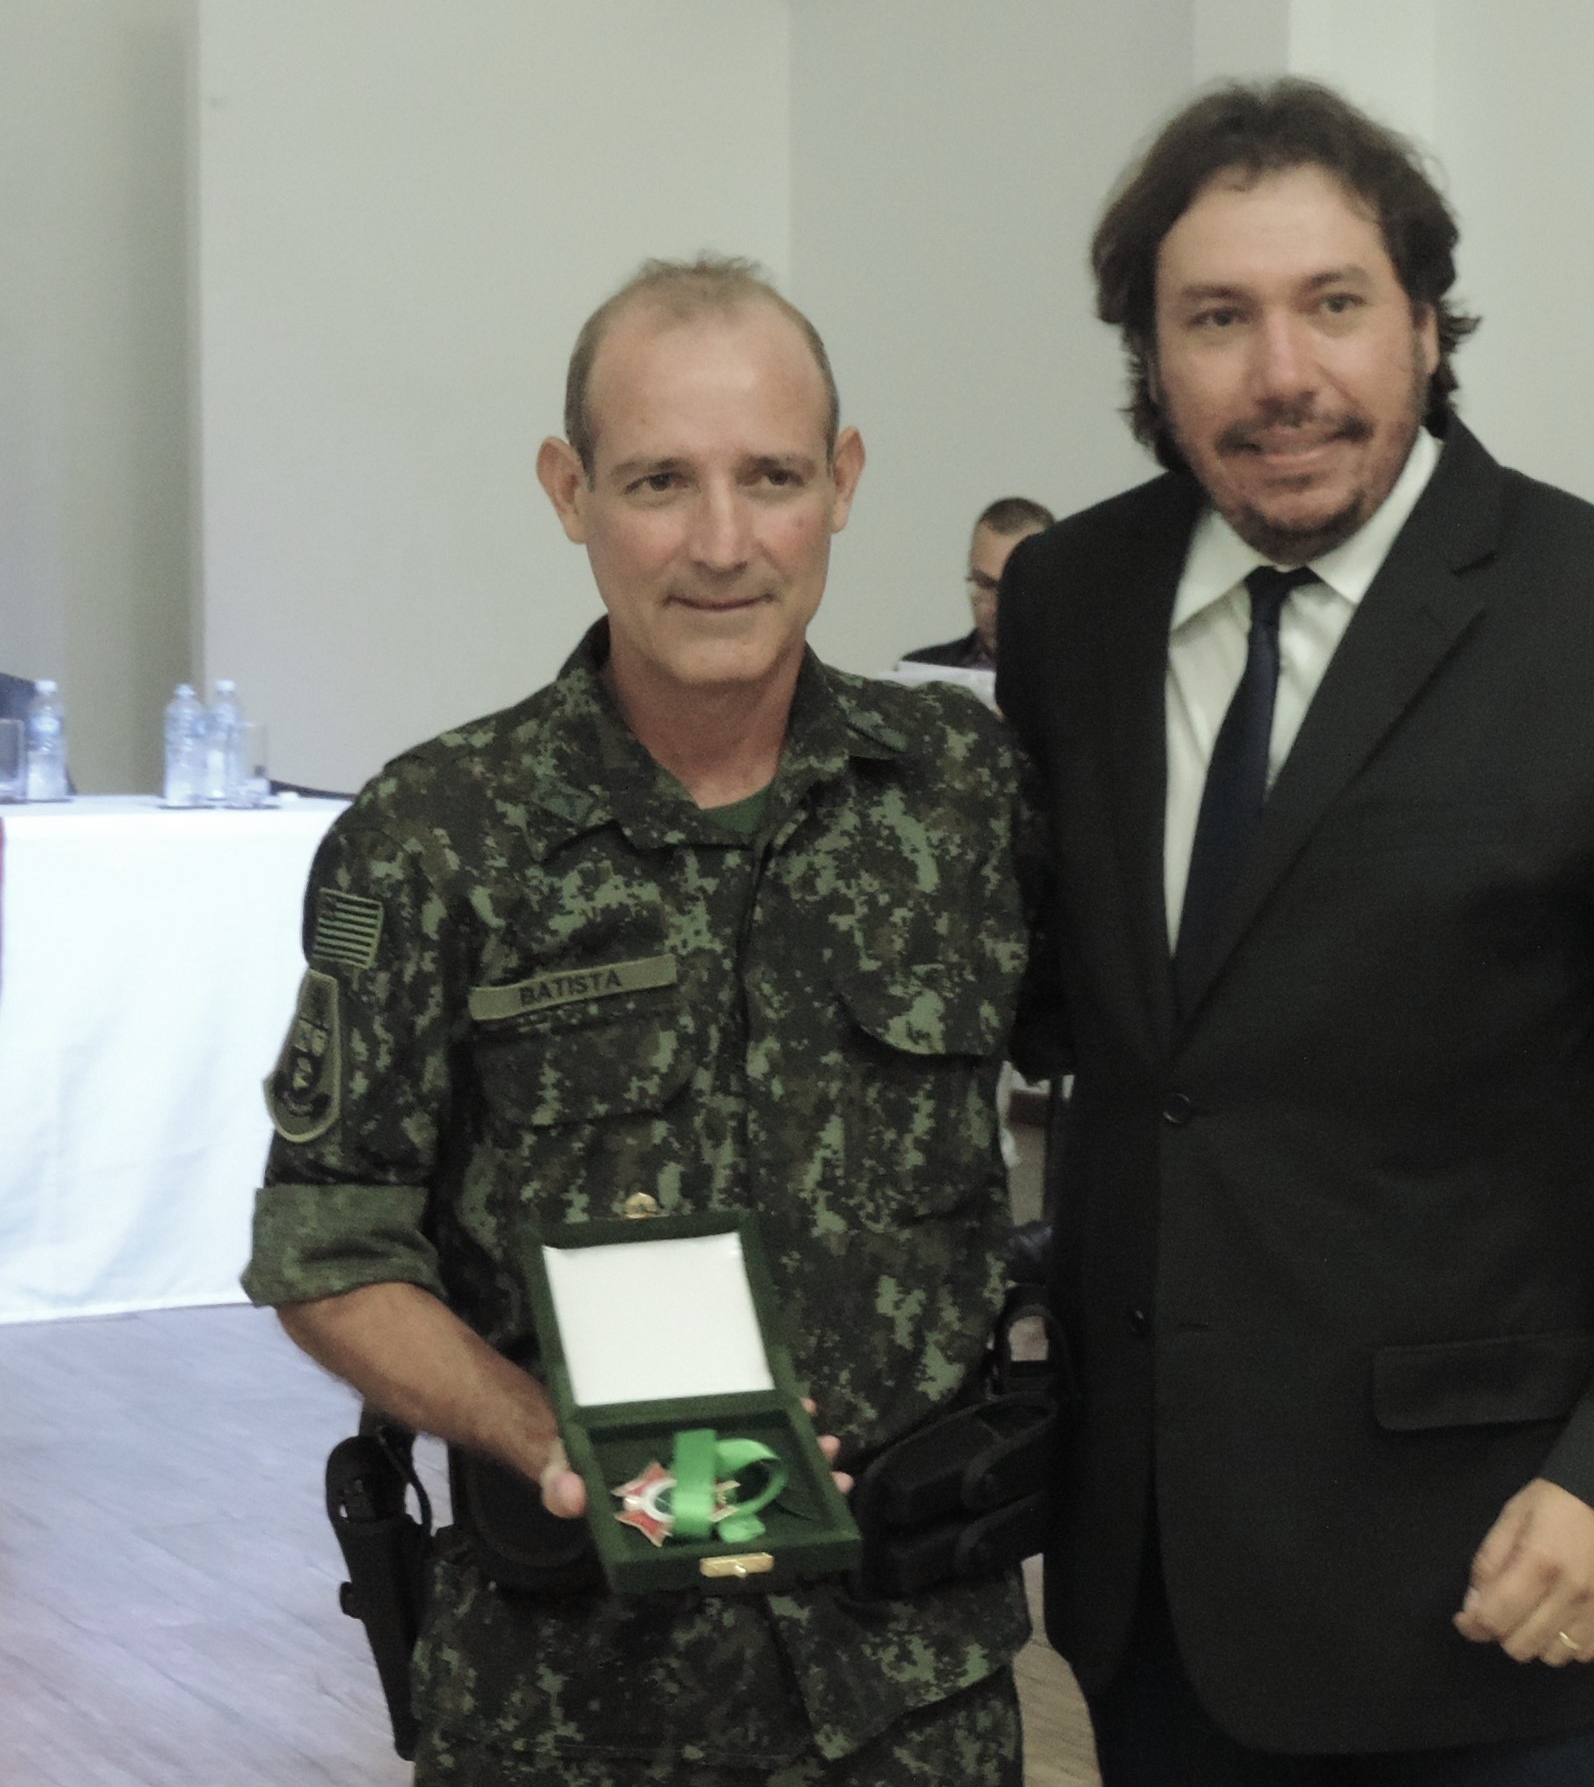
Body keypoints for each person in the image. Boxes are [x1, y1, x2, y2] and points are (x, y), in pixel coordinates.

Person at [995, 79, 1594, 1784]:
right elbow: (1084, 1020)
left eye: (1333, 304)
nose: (1281, 373)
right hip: (1152, 1587)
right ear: (1150, 355)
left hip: (1500, 1581)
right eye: (1216, 318)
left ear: (1427, 325)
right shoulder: (1070, 605)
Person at [241, 256, 1037, 1784]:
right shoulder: (434, 840)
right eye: (661, 480)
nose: (722, 543)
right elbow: (324, 1245)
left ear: (844, 482)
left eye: (773, 477)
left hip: (914, 1701)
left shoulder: (967, 796)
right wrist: (546, 1434)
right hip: (567, 1709)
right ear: (571, 490)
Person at [902, 497, 1055, 671]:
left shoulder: (1080, 675)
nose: (997, 608)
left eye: (1016, 586)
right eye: (985, 584)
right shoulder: (918, 672)